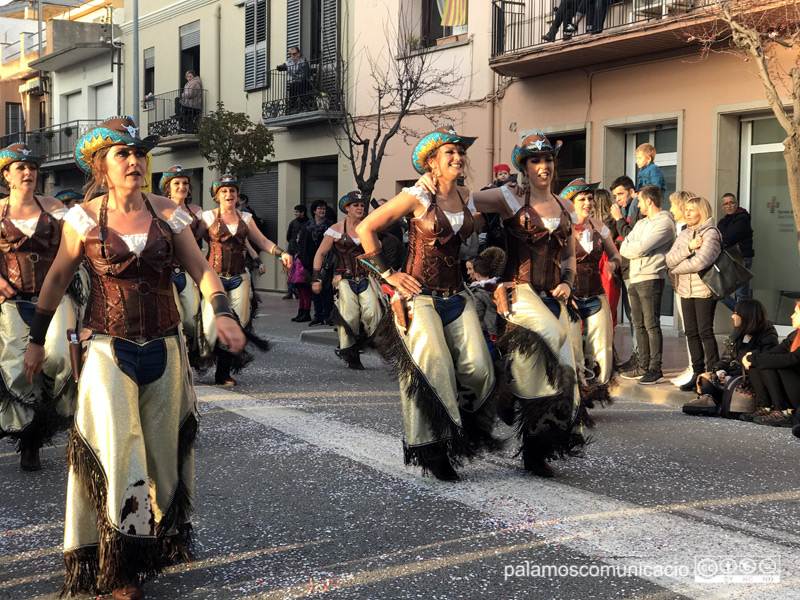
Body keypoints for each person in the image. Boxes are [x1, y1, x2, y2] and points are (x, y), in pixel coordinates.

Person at [21, 116, 246, 599]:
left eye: (139, 153)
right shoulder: (82, 218)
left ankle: (150, 544)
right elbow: (58, 278)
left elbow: (202, 269)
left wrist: (222, 312)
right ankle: (116, 565)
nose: (134, 160)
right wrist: (37, 339)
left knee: (162, 457)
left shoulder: (170, 213)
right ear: (103, 165)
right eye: (123, 153)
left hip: (165, 345)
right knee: (120, 450)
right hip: (107, 347)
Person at [355, 124, 498, 482]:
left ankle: (462, 427)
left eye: (460, 151)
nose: (458, 156)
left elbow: (501, 206)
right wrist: (389, 275)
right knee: (433, 371)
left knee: (480, 369)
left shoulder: (467, 196)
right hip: (419, 298)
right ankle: (434, 450)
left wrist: (521, 189)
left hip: (458, 295)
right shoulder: (417, 194)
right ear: (432, 162)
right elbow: (365, 229)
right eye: (450, 152)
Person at [460, 133, 585, 477]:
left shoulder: (565, 206)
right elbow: (464, 202)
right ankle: (502, 389)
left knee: (552, 377)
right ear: (523, 167)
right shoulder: (507, 197)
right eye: (535, 161)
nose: (543, 166)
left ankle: (535, 451)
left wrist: (567, 282)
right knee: (553, 336)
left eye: (548, 159)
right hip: (519, 293)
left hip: (552, 296)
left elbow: (571, 255)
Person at [0, 144, 79, 471]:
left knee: (61, 358)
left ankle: (65, 426)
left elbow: (74, 245)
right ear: (6, 175)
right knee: (21, 371)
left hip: (55, 297)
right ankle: (30, 441)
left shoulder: (55, 207)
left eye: (32, 167)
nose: (29, 172)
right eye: (21, 167)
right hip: (13, 301)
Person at [199, 174, 292, 385]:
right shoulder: (207, 217)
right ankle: (200, 358)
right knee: (209, 325)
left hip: (240, 278)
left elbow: (262, 240)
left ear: (238, 195)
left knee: (238, 324)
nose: (229, 194)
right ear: (216, 196)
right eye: (224, 191)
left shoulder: (246, 219)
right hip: (214, 278)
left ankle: (223, 372)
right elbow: (191, 241)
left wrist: (281, 253)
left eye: (232, 190)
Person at [563, 178, 621, 406]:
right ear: (571, 203)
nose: (588, 203)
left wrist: (612, 265)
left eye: (590, 198)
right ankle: (575, 395)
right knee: (573, 348)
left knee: (603, 347)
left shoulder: (599, 226)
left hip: (596, 294)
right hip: (571, 298)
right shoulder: (561, 227)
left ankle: (594, 391)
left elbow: (616, 254)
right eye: (582, 199)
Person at [311, 191, 385, 370]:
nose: (360, 208)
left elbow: (376, 254)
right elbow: (320, 253)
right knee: (349, 316)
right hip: (343, 278)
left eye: (362, 205)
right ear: (347, 208)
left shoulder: (368, 228)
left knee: (373, 313)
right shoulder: (336, 229)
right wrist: (316, 278)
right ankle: (350, 353)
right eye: (355, 205)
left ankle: (362, 343)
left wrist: (385, 276)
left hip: (366, 277)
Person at [619, 185, 677, 385]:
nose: (638, 204)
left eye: (640, 201)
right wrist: (635, 248)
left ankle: (655, 367)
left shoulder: (665, 223)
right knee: (638, 323)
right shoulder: (642, 223)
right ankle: (642, 365)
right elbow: (624, 246)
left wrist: (635, 248)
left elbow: (641, 247)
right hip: (635, 277)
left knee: (651, 324)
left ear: (649, 201)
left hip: (651, 277)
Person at [682, 299, 777, 417]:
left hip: (748, 378)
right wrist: (721, 371)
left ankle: (715, 402)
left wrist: (730, 376)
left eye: (736, 313)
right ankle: (710, 400)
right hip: (733, 374)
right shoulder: (738, 332)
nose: (732, 316)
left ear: (747, 315)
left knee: (732, 384)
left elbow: (760, 364)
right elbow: (726, 357)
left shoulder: (767, 334)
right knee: (707, 378)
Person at [666, 196, 722, 392]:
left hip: (704, 290)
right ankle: (697, 373)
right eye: (686, 210)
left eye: (691, 210)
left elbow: (701, 262)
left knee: (705, 332)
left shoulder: (711, 234)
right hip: (685, 289)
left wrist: (677, 267)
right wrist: (689, 248)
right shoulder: (685, 234)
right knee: (690, 332)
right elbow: (669, 259)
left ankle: (712, 374)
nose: (687, 213)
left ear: (702, 212)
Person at [160, 165, 205, 362]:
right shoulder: (158, 209)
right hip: (165, 271)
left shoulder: (196, 212)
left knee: (191, 320)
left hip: (187, 271)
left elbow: (209, 239)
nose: (182, 186)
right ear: (168, 187)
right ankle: (177, 361)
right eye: (176, 183)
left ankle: (191, 356)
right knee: (174, 318)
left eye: (185, 183)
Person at [741, 300, 800, 431]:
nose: (792, 316)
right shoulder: (795, 335)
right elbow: (774, 352)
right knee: (758, 362)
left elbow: (792, 359)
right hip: (792, 387)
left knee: (773, 363)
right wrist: (752, 357)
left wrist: (757, 358)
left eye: (796, 313)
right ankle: (765, 406)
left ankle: (783, 411)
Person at [609, 175, 641, 370]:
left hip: (635, 270)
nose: (618, 199)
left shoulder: (636, 207)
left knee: (637, 317)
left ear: (631, 192)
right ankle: (636, 355)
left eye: (620, 194)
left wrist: (619, 219)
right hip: (625, 268)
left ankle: (640, 358)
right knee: (632, 316)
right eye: (615, 196)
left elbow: (631, 236)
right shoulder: (624, 209)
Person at [667, 190, 698, 388]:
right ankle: (692, 365)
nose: (670, 210)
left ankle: (696, 367)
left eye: (673, 206)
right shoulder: (679, 227)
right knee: (689, 328)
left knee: (692, 328)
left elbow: (679, 257)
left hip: (689, 282)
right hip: (679, 282)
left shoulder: (688, 228)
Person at [298, 199, 335, 326]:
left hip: (325, 263)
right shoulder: (307, 226)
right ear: (314, 210)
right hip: (310, 262)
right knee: (315, 290)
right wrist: (304, 261)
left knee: (326, 290)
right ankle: (318, 315)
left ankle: (328, 315)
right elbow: (302, 244)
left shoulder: (330, 225)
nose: (322, 211)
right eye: (319, 209)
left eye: (324, 209)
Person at [466, 247, 505, 359]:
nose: (468, 273)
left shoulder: (477, 292)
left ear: (477, 271)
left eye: (470, 269)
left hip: (483, 330)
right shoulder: (498, 286)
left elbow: (478, 315)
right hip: (495, 329)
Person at [717, 193, 754, 311]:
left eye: (731, 202)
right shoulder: (723, 221)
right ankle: (741, 314)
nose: (729, 206)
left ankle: (745, 322)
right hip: (727, 258)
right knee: (719, 290)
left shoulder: (742, 218)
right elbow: (719, 238)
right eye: (726, 203)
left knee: (741, 294)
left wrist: (723, 238)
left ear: (736, 204)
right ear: (723, 206)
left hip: (741, 258)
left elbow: (730, 237)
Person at [592, 188, 621, 329]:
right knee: (609, 305)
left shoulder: (591, 221)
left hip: (596, 262)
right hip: (608, 262)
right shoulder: (612, 221)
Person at [276, 46, 311, 114]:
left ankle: (304, 105)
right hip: (296, 82)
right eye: (291, 54)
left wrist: (301, 79)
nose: (292, 56)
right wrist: (278, 66)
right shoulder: (289, 62)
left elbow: (306, 73)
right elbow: (280, 68)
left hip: (305, 81)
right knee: (292, 86)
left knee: (300, 84)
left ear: (298, 54)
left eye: (294, 54)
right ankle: (293, 106)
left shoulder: (302, 61)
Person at [284, 204, 308, 299]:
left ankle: (298, 290)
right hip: (292, 249)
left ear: (302, 213)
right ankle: (290, 290)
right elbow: (288, 236)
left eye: (297, 212)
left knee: (300, 272)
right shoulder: (293, 223)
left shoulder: (307, 223)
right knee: (291, 271)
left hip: (302, 251)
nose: (295, 213)